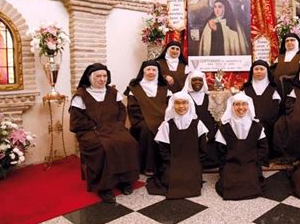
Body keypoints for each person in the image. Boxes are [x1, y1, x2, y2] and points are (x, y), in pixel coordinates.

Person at [69, 63, 139, 203]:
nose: (102, 79)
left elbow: (121, 110)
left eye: (105, 76)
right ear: (89, 78)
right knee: (101, 147)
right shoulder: (80, 95)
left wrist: (118, 125)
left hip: (113, 128)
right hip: (90, 131)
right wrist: (94, 127)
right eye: (98, 76)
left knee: (129, 142)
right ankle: (104, 187)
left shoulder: (113, 92)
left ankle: (124, 181)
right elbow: (77, 121)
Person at [146, 91, 208, 199]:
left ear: (190, 105)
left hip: (192, 162)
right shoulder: (166, 125)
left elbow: (202, 148)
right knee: (170, 180)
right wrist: (171, 163)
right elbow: (163, 149)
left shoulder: (197, 124)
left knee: (190, 180)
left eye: (184, 103)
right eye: (177, 103)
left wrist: (196, 163)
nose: (181, 106)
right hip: (172, 162)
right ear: (172, 105)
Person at [215, 92, 269, 200]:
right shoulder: (225, 127)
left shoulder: (257, 127)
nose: (241, 108)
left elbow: (263, 148)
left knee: (250, 180)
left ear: (249, 106)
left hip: (251, 162)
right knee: (230, 182)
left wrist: (254, 161)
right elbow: (220, 150)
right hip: (231, 163)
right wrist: (227, 163)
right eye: (237, 104)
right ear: (232, 106)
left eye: (244, 104)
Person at [125, 60, 171, 176]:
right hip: (141, 119)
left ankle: (167, 162)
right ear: (143, 71)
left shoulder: (164, 87)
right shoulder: (134, 88)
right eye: (148, 69)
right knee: (147, 130)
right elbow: (133, 108)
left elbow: (170, 105)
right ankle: (148, 166)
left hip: (163, 118)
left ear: (158, 72)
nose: (151, 72)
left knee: (168, 127)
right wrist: (144, 120)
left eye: (154, 70)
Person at [243, 60, 281, 158]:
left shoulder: (273, 89)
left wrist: (266, 120)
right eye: (256, 69)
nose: (259, 71)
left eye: (261, 69)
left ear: (267, 71)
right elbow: (242, 107)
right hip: (250, 121)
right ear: (252, 71)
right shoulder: (246, 89)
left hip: (268, 122)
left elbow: (275, 109)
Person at [182, 70, 219, 169]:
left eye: (200, 80)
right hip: (191, 134)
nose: (197, 82)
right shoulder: (184, 98)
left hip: (210, 136)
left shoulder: (210, 96)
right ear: (189, 82)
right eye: (194, 80)